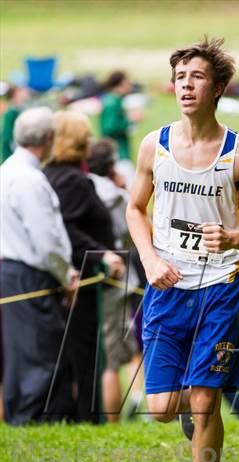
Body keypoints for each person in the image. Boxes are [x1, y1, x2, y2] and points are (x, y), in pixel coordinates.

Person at [126, 37, 239, 462]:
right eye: (181, 78)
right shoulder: (155, 144)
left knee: (204, 398)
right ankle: (193, 411)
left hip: (221, 284)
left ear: (218, 89)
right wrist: (149, 260)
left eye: (197, 78)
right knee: (161, 411)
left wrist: (234, 236)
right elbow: (134, 207)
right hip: (167, 286)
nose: (186, 86)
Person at [44, 111, 125, 424]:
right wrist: (102, 254)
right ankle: (86, 418)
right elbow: (66, 228)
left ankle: (85, 416)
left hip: (77, 278)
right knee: (83, 350)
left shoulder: (56, 174)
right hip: (78, 279)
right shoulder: (71, 180)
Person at [0, 107, 78, 425]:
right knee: (41, 351)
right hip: (30, 275)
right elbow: (47, 243)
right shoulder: (30, 180)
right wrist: (67, 274)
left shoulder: (6, 170)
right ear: (48, 139)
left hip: (10, 272)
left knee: (22, 350)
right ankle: (35, 419)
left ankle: (24, 415)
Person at [87, 138, 143, 422]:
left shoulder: (83, 190)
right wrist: (125, 190)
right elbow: (133, 234)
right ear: (111, 166)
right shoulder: (117, 197)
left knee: (107, 350)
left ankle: (125, 407)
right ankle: (113, 419)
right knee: (114, 356)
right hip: (119, 278)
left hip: (90, 277)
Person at [99, 71, 137, 186]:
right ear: (119, 84)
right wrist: (130, 121)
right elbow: (109, 128)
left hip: (120, 152)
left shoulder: (116, 101)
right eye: (127, 82)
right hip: (118, 154)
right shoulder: (112, 103)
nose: (130, 85)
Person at [1, 85, 30, 162]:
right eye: (21, 91)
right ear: (16, 94)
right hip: (12, 155)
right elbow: (7, 138)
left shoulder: (20, 109)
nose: (25, 93)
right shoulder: (11, 112)